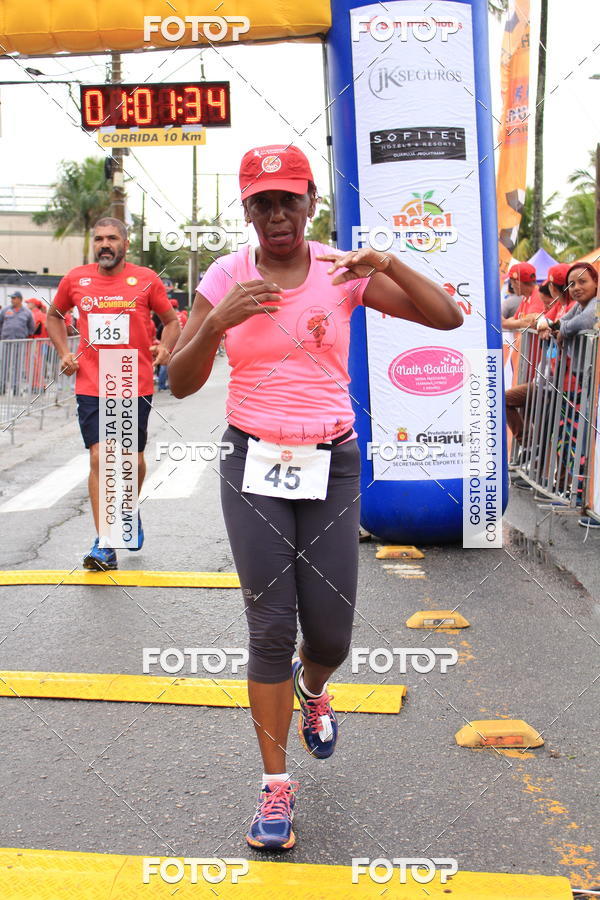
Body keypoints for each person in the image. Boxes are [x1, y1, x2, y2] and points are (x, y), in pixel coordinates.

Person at [168, 144, 463, 851]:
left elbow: (447, 318)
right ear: (245, 210)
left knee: (330, 633)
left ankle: (313, 684)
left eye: (288, 200)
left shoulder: (339, 271)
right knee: (269, 626)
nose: (276, 214)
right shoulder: (225, 275)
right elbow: (178, 382)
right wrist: (214, 321)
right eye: (262, 203)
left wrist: (385, 263)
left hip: (331, 463)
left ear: (310, 204)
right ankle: (275, 790)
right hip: (254, 463)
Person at [46, 217, 180, 570]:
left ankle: (127, 511)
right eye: (99, 239)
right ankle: (106, 540)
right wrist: (64, 352)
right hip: (92, 382)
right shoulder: (76, 279)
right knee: (99, 459)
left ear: (125, 243)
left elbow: (172, 321)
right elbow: (54, 316)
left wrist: (165, 350)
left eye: (112, 238)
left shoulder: (146, 280)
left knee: (131, 460)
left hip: (133, 381)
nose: (105, 244)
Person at [0, 291, 35, 394]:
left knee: (18, 365)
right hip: (6, 341)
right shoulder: (5, 310)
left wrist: (24, 335)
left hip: (20, 342)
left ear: (20, 299)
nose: (12, 300)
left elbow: (31, 327)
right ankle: (2, 386)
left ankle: (16, 387)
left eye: (14, 298)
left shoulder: (27, 312)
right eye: (11, 298)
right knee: (4, 364)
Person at [501, 262, 544, 331]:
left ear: (517, 283)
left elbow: (529, 322)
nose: (511, 286)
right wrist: (502, 322)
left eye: (511, 282)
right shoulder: (526, 297)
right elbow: (514, 319)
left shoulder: (538, 296)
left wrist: (502, 322)